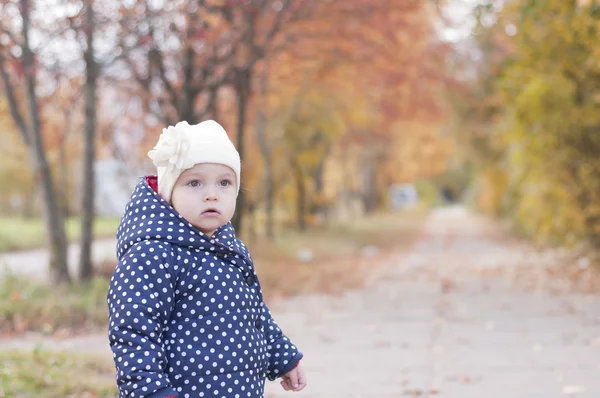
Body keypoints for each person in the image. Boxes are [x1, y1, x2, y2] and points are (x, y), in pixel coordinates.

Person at [107, 120, 306, 398]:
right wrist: (150, 391)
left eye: (225, 182)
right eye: (194, 182)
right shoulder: (153, 253)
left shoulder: (231, 248)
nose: (211, 194)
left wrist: (282, 355)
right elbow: (134, 332)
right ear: (169, 191)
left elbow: (252, 313)